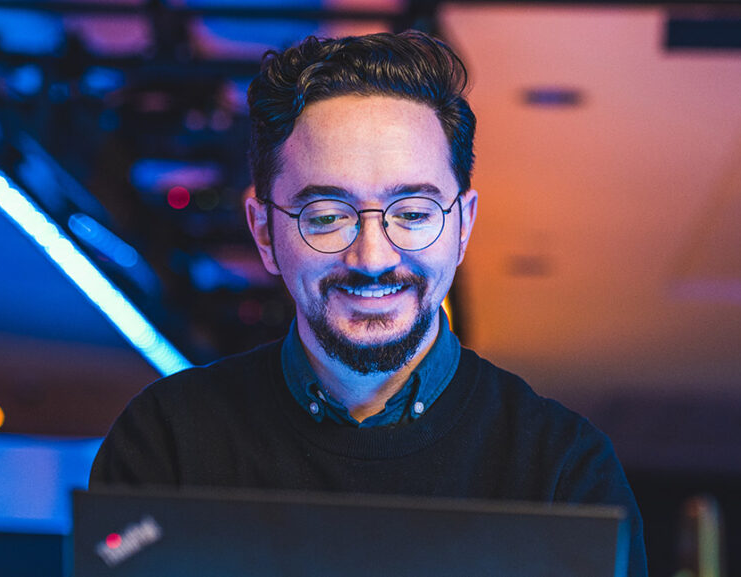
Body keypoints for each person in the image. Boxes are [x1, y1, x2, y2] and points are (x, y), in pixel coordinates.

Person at [90, 30, 647, 576]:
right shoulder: (167, 441)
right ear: (263, 232)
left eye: (414, 213)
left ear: (463, 226)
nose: (373, 258)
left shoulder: (564, 472)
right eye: (327, 216)